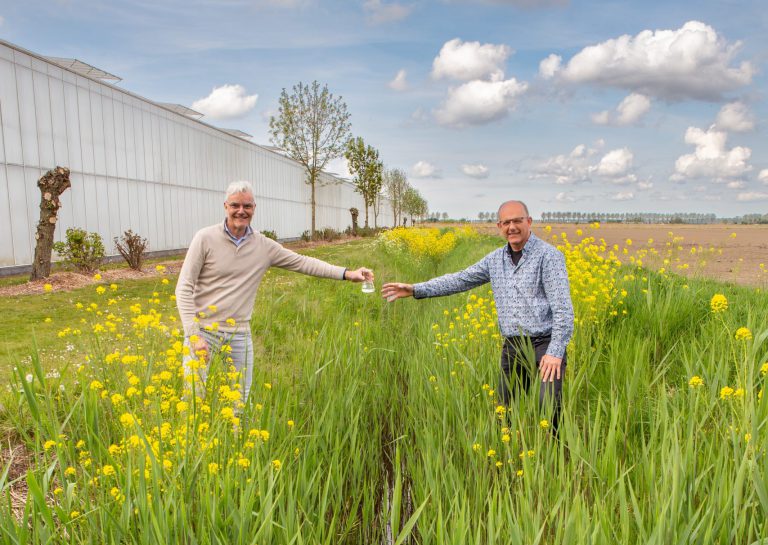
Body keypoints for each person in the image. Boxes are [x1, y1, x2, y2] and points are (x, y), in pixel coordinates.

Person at [381, 200, 573, 433]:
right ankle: (508, 456)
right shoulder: (495, 260)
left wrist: (555, 352)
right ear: (499, 226)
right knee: (504, 411)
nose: (511, 227)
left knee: (549, 406)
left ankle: (554, 456)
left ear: (529, 222)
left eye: (517, 221)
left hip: (545, 344)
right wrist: (415, 289)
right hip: (513, 344)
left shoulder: (549, 256)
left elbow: (563, 309)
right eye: (506, 222)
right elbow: (460, 279)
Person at [176, 180, 373, 403]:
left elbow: (303, 262)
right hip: (203, 331)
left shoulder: (264, 246)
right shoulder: (204, 238)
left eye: (247, 206)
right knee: (193, 398)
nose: (241, 211)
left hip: (239, 333)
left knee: (240, 400)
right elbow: (183, 287)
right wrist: (194, 334)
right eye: (235, 205)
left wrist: (348, 273)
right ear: (225, 206)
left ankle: (236, 436)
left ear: (254, 209)